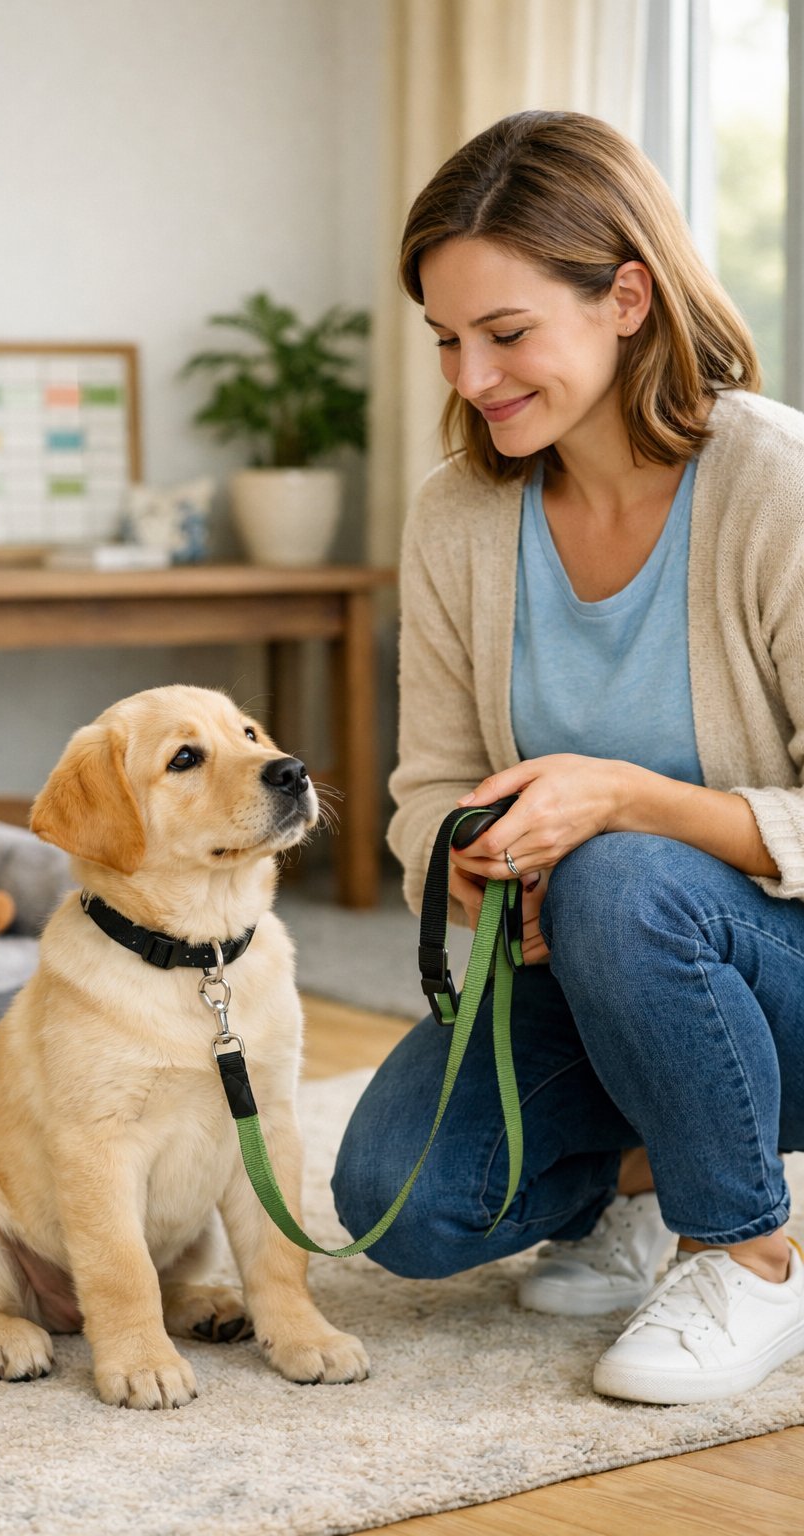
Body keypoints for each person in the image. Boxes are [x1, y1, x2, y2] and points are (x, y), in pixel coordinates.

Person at [331, 109, 804, 1405]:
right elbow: (425, 782)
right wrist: (465, 862)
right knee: (399, 1205)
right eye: (446, 340)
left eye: (505, 333)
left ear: (627, 298)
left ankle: (753, 1253)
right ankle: (655, 1172)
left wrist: (627, 801)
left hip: (775, 965)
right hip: (578, 962)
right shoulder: (458, 514)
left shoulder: (774, 482)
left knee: (621, 870)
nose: (471, 377)